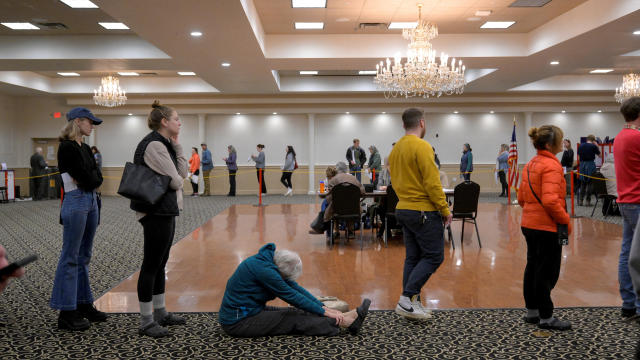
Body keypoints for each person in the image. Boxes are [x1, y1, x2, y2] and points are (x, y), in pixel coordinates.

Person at [219, 243, 371, 337]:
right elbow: (292, 296)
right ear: (280, 273)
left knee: (296, 311)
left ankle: (345, 318)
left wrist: (322, 307)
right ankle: (344, 322)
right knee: (291, 317)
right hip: (238, 322)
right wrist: (325, 311)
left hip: (251, 311)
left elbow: (296, 288)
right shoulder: (266, 272)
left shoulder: (269, 260)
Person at [131, 101, 188, 338]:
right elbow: (176, 181)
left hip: (165, 209)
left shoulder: (165, 144)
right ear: (164, 122)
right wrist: (177, 173)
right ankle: (146, 321)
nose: (179, 122)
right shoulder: (154, 145)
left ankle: (160, 312)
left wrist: (179, 149)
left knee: (161, 263)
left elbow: (183, 173)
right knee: (151, 264)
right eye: (176, 119)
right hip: (155, 212)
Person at [388, 108, 451, 321]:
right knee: (434, 256)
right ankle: (406, 298)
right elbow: (432, 184)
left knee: (413, 258)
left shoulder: (395, 151)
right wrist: (444, 209)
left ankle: (412, 303)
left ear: (404, 124)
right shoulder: (423, 147)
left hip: (403, 208)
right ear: (422, 123)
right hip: (423, 210)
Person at [50, 107, 106, 331]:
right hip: (76, 201)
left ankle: (83, 303)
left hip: (91, 200)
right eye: (90, 122)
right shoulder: (67, 147)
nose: (92, 126)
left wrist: (92, 178)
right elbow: (84, 176)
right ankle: (66, 311)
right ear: (78, 122)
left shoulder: (84, 147)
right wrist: (92, 178)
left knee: (84, 255)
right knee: (71, 256)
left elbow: (96, 174)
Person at [517, 125, 572, 331]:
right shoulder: (552, 166)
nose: (562, 142)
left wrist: (532, 211)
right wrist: (565, 220)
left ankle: (532, 312)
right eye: (560, 139)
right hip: (546, 227)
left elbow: (522, 198)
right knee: (547, 272)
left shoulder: (530, 163)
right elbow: (550, 201)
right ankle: (546, 317)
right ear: (550, 144)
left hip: (529, 224)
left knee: (532, 267)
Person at [615, 97, 640, 319]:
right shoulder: (638, 137)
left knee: (627, 254)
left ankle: (629, 304)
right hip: (638, 200)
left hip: (625, 200)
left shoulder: (620, 137)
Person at [323, 162, 365, 238]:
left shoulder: (333, 180)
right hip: (353, 210)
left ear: (337, 170)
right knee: (350, 204)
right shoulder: (353, 178)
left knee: (334, 206)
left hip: (337, 210)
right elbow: (363, 191)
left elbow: (328, 198)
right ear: (346, 169)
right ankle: (351, 231)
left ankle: (336, 231)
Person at [577, 135, 601, 206]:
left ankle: (580, 201)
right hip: (590, 164)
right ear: (593, 141)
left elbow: (578, 157)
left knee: (582, 183)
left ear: (587, 139)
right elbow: (600, 155)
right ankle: (588, 201)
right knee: (590, 183)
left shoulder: (580, 146)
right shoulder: (593, 146)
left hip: (582, 165)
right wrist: (597, 146)